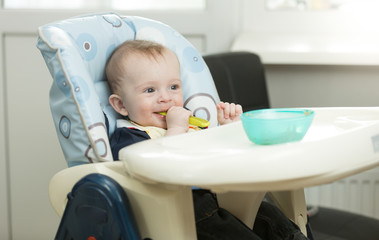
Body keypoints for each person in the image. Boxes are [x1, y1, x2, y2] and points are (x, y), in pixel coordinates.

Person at [106, 39, 310, 240]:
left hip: (219, 198)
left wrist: (229, 129)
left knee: (271, 217)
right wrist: (177, 129)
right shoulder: (129, 136)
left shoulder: (192, 123)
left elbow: (217, 155)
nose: (166, 98)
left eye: (173, 87)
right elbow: (156, 172)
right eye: (150, 90)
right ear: (121, 105)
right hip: (183, 211)